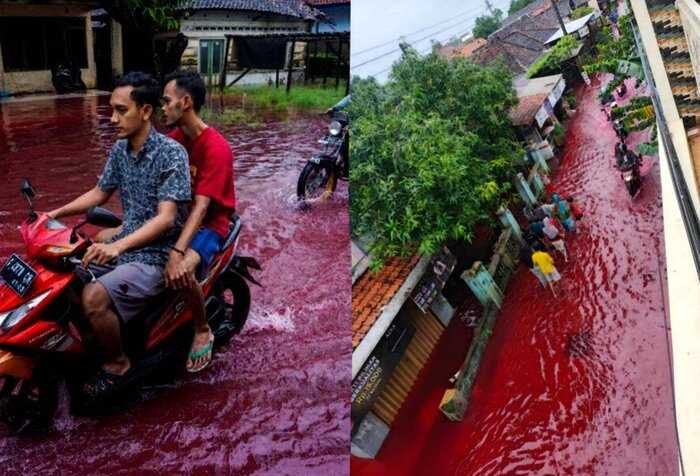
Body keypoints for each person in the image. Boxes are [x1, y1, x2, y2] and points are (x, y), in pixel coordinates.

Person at [48, 72, 191, 396]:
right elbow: (99, 193)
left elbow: (166, 218)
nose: (112, 118)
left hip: (157, 254)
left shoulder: (171, 153)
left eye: (120, 110)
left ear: (145, 111)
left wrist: (118, 245)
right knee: (66, 278)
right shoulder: (120, 149)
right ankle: (98, 341)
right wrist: (53, 213)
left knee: (93, 296)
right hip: (125, 244)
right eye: (112, 109)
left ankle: (118, 363)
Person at [161, 70, 236, 373]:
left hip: (210, 225)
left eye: (167, 102)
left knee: (180, 271)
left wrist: (178, 252)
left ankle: (202, 327)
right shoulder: (176, 140)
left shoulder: (216, 148)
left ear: (186, 102)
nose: (162, 108)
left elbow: (203, 207)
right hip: (181, 217)